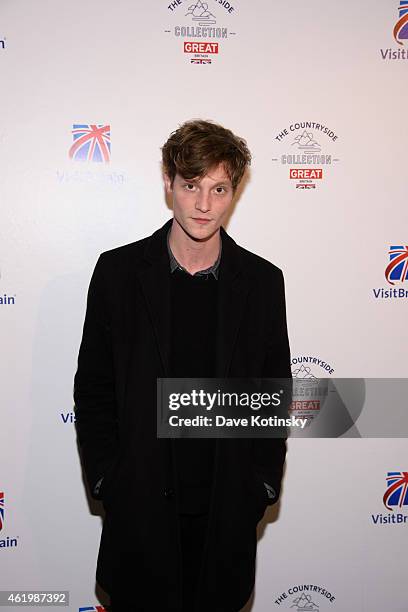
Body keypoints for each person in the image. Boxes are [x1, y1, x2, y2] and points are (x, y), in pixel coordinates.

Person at [74, 119, 291, 612]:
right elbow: (94, 388)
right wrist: (110, 480)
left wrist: (259, 485)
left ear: (234, 192)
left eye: (219, 189)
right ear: (169, 182)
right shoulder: (118, 273)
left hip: (225, 515)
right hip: (141, 514)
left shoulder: (261, 282)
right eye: (191, 185)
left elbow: (272, 394)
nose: (204, 204)